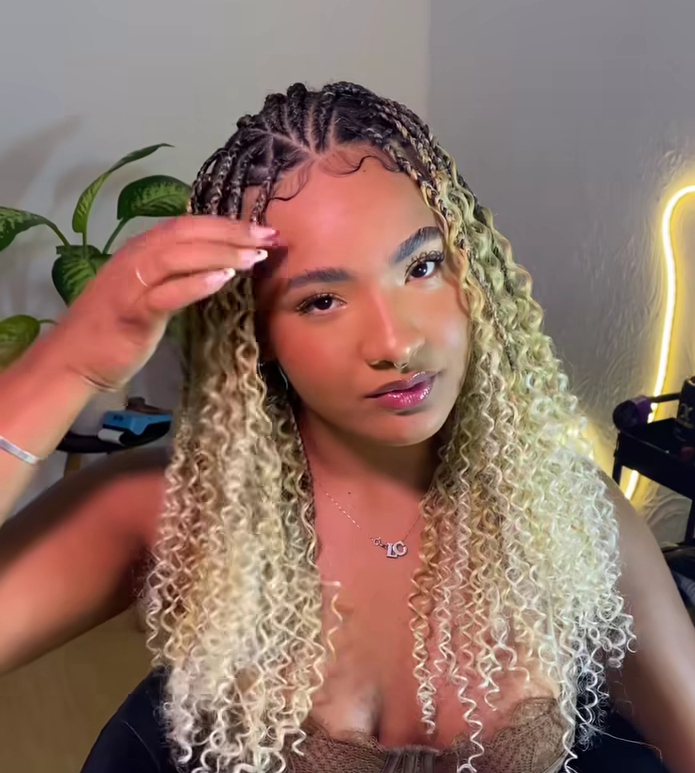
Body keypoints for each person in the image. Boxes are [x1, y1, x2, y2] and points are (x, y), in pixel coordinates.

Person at [0, 81, 693, 773]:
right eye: (322, 299)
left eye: (421, 265)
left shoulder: (567, 516)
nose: (395, 342)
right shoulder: (176, 510)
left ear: (471, 270)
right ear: (258, 332)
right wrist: (66, 367)